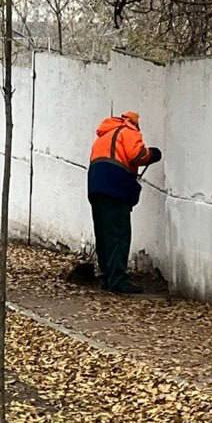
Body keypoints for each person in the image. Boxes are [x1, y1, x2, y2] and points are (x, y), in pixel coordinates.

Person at [87, 111, 162, 294]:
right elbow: (137, 155)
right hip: (114, 187)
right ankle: (118, 280)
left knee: (103, 233)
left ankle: (107, 276)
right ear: (134, 123)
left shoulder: (104, 136)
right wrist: (152, 154)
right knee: (119, 235)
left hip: (96, 186)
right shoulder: (128, 131)